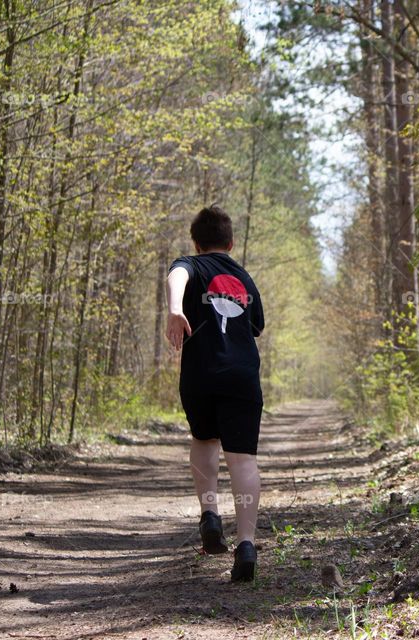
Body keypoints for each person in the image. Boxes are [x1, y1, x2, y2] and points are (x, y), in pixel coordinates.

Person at [165, 204, 264, 582]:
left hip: (200, 375)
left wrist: (176, 310)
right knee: (242, 460)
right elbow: (256, 326)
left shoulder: (191, 264)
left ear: (196, 242)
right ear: (232, 242)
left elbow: (178, 274)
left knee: (204, 440)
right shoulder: (245, 279)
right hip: (241, 377)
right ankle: (247, 543)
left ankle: (209, 513)